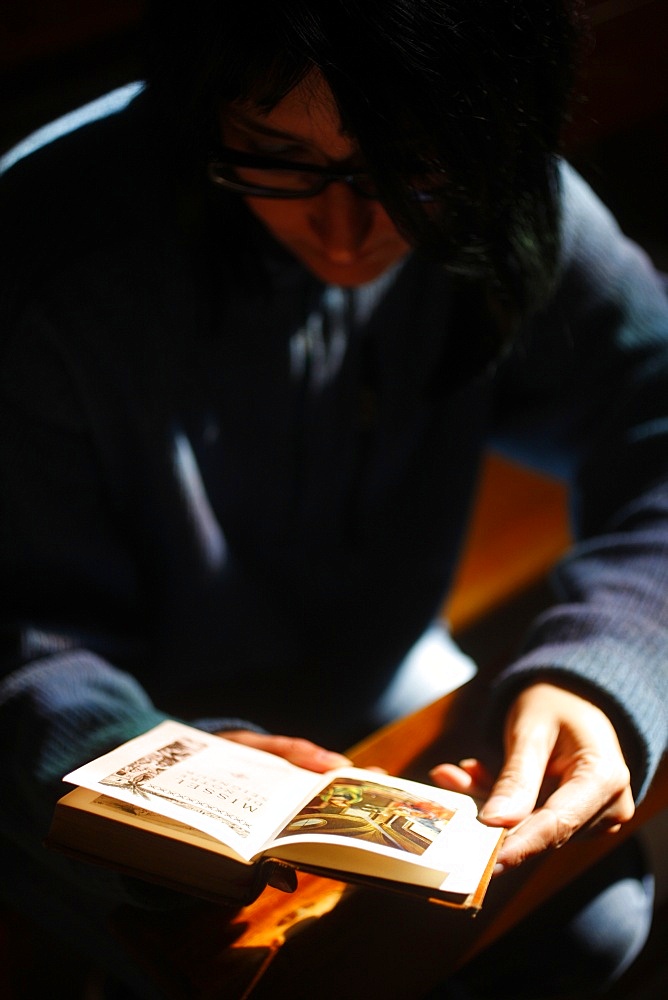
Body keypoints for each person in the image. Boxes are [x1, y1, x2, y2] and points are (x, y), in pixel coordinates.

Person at [1, 1, 667, 996]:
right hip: (94, 749)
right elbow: (20, 632)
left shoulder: (504, 193)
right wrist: (159, 769)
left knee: (589, 920)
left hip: (374, 672)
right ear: (203, 109)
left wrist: (601, 662)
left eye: (414, 169)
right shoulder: (43, 254)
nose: (350, 233)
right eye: (277, 155)